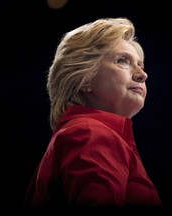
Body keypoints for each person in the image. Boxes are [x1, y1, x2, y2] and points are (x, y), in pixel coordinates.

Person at [24, 17, 162, 209]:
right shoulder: (89, 132)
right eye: (123, 61)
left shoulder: (84, 132)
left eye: (141, 65)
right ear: (85, 79)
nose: (142, 74)